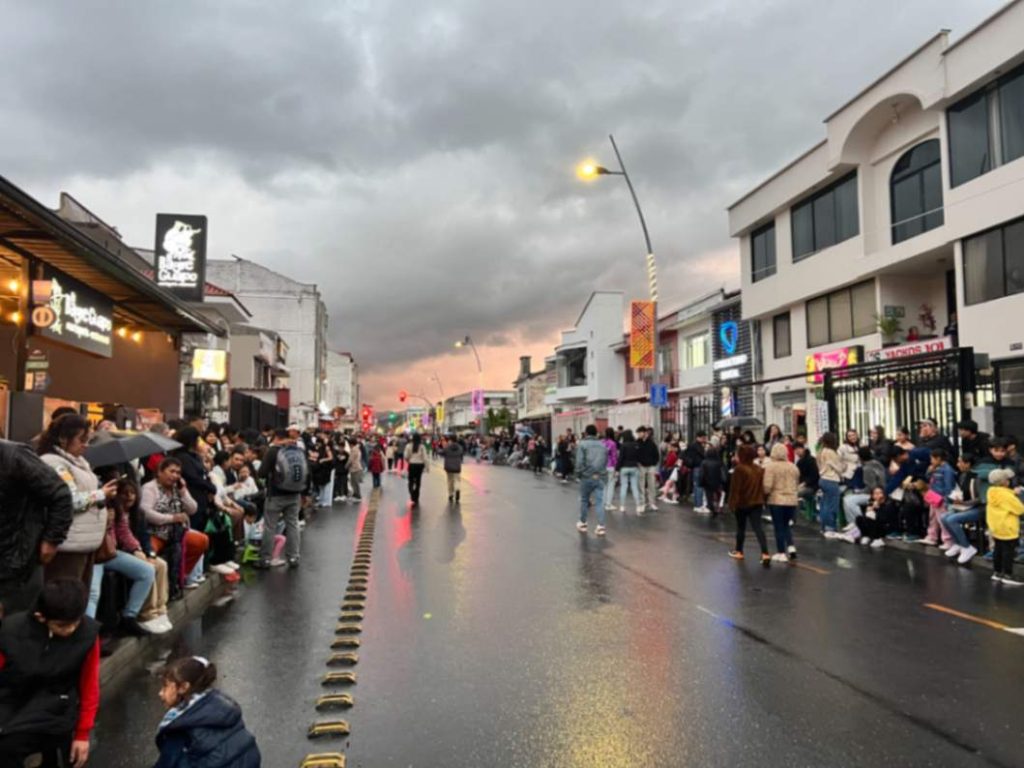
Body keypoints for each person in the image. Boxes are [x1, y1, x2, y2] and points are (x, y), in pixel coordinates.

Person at [0, 579, 100, 768]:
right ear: (40, 617)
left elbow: (90, 686)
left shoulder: (87, 634)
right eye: (62, 626)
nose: (71, 630)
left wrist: (82, 734)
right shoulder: (11, 631)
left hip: (60, 707)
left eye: (75, 623)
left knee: (73, 755)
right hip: (16, 704)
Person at [38, 415, 117, 590]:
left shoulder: (80, 462)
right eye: (81, 440)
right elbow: (69, 500)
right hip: (68, 544)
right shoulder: (54, 462)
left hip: (84, 542)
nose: (85, 445)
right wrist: (100, 494)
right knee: (65, 598)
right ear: (63, 439)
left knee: (78, 597)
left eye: (87, 440)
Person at [0, 439, 73, 617]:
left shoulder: (15, 455)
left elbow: (61, 495)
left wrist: (51, 540)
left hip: (18, 560)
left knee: (16, 627)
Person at [153, 656, 260, 767]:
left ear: (183, 687)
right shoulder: (221, 706)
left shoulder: (180, 728)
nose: (160, 693)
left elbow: (167, 763)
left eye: (165, 686)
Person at [86, 481, 160, 636]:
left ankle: (129, 617)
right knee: (93, 593)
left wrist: (137, 549)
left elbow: (123, 531)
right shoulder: (90, 502)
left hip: (110, 551)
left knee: (146, 571)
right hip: (91, 552)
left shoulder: (115, 506)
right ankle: (88, 636)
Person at [140, 458, 210, 598]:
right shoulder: (150, 488)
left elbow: (193, 509)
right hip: (155, 533)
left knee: (201, 541)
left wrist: (183, 491)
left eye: (178, 472)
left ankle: (179, 577)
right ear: (160, 472)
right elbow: (146, 513)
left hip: (177, 533)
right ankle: (155, 592)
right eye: (171, 471)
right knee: (150, 557)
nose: (175, 476)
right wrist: (171, 518)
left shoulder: (177, 488)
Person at [256, 429, 308, 569]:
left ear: (276, 438)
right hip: (294, 494)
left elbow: (262, 473)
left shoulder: (273, 451)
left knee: (270, 526)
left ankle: (266, 559)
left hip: (275, 495)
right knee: (293, 525)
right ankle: (293, 557)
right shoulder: (298, 450)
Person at [726, 445, 771, 566]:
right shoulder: (759, 469)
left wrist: (731, 504)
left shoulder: (739, 469)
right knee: (758, 528)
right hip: (756, 502)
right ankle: (765, 553)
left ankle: (739, 551)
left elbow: (735, 489)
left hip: (742, 503)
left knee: (741, 528)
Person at [985, 468, 1024, 586]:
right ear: (1005, 482)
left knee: (998, 550)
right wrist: (1017, 495)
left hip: (996, 527)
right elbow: (1020, 509)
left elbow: (1003, 495)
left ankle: (997, 573)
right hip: (1008, 528)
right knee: (1008, 552)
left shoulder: (991, 491)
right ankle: (1008, 574)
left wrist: (1012, 492)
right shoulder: (1007, 496)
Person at [942, 453, 981, 565]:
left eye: (960, 462)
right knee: (943, 517)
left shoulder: (976, 477)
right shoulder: (962, 475)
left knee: (951, 519)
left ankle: (967, 546)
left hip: (978, 507)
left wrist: (964, 502)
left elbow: (980, 498)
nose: (958, 464)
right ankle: (958, 543)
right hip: (965, 505)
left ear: (968, 464)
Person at [763, 443, 799, 562]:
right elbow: (796, 482)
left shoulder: (771, 467)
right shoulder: (793, 466)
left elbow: (767, 486)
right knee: (785, 524)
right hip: (792, 500)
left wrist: (764, 496)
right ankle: (791, 547)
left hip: (777, 500)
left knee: (778, 526)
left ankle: (781, 552)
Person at [574, 425, 609, 536]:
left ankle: (583, 523)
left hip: (586, 476)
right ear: (596, 433)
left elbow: (579, 462)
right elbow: (605, 461)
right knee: (599, 502)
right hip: (599, 476)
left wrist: (578, 474)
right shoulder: (603, 446)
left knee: (584, 500)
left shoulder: (582, 445)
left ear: (586, 433)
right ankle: (601, 526)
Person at [919, 449, 956, 548]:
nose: (931, 461)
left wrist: (946, 498)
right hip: (933, 496)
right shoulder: (936, 468)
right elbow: (928, 477)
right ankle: (932, 536)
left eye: (932, 459)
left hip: (941, 497)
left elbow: (948, 486)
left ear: (938, 458)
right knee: (933, 518)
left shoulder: (947, 470)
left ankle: (948, 540)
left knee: (941, 519)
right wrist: (929, 471)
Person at [816, 432, 843, 538]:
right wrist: (842, 472)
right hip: (831, 479)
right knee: (832, 505)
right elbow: (837, 467)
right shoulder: (831, 452)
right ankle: (830, 527)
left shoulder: (820, 451)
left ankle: (823, 527)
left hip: (822, 478)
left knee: (824, 504)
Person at [615, 429, 643, 514]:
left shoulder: (623, 445)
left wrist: (617, 469)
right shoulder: (636, 445)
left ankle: (622, 506)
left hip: (624, 468)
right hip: (634, 467)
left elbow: (620, 458)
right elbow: (639, 457)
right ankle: (638, 506)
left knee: (624, 487)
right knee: (635, 487)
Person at [637, 426, 661, 512]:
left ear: (645, 433)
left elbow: (656, 455)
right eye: (638, 433)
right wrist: (638, 463)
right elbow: (635, 454)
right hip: (641, 466)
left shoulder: (651, 443)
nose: (639, 434)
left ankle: (652, 503)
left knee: (652, 485)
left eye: (640, 432)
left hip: (651, 466)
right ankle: (642, 503)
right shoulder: (637, 442)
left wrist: (654, 463)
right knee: (641, 485)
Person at [684, 432, 708, 512]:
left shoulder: (693, 445)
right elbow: (702, 456)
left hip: (695, 467)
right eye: (703, 437)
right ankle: (699, 505)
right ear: (699, 437)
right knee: (699, 486)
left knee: (696, 486)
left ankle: (697, 504)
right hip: (698, 467)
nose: (705, 439)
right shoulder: (697, 446)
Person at [698, 445, 725, 516]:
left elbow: (702, 474)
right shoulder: (719, 462)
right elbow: (723, 473)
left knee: (709, 497)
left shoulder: (704, 462)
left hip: (707, 483)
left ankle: (712, 509)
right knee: (718, 495)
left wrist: (701, 482)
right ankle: (718, 507)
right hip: (717, 482)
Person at [405, 434, 429, 505]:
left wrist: (408, 460)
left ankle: (412, 493)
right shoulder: (422, 447)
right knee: (418, 481)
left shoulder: (408, 446)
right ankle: (416, 497)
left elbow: (406, 456)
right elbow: (425, 458)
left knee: (411, 480)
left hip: (412, 464)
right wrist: (427, 467)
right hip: (420, 465)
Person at [441, 436, 465, 503]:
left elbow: (442, 452)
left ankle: (450, 494)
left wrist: (441, 448)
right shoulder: (460, 447)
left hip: (449, 467)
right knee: (457, 480)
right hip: (457, 466)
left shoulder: (447, 448)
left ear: (451, 440)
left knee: (450, 481)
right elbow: (462, 453)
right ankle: (457, 489)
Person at [601, 428, 619, 513]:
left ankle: (604, 502)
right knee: (611, 485)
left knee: (604, 485)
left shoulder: (601, 442)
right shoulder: (613, 443)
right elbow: (614, 456)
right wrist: (616, 467)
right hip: (610, 466)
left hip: (602, 466)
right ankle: (608, 504)